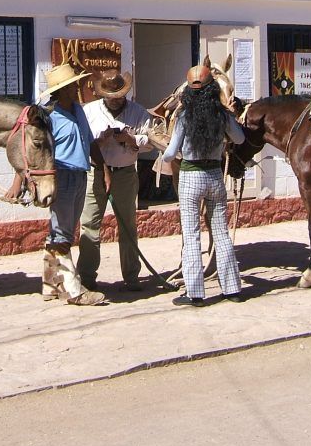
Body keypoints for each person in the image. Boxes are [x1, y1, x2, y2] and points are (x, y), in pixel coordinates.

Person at [161, 63, 246, 307]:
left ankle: (195, 293)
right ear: (212, 89)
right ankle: (232, 289)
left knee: (191, 235)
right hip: (214, 176)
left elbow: (170, 152)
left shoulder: (184, 115)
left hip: (190, 177)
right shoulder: (222, 115)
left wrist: (164, 154)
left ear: (188, 90)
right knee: (221, 233)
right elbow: (239, 138)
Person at [77, 69, 152, 291]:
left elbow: (149, 141)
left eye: (120, 95)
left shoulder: (138, 112)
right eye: (112, 97)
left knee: (128, 225)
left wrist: (130, 139)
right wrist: (99, 142)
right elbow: (82, 142)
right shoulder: (88, 111)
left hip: (126, 172)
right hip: (96, 172)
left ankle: (131, 275)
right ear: (103, 95)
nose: (116, 100)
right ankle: (87, 277)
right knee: (90, 224)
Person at [39, 63, 105, 306]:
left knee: (61, 230)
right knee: (62, 233)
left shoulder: (78, 110)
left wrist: (104, 171)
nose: (78, 87)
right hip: (62, 176)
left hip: (80, 175)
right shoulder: (48, 117)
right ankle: (73, 290)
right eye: (73, 85)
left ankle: (50, 284)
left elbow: (91, 142)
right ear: (63, 90)